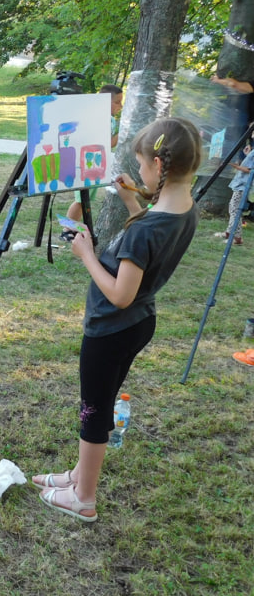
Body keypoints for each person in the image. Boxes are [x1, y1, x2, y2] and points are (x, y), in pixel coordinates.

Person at [33, 117, 201, 522]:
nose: (139, 170)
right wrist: (131, 201)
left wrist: (87, 255)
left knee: (93, 409)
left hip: (112, 326)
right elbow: (150, 231)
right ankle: (78, 474)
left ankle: (84, 498)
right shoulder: (182, 209)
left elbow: (121, 294)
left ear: (159, 166)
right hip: (137, 324)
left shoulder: (148, 229)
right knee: (102, 401)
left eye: (142, 163)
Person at [61, 85, 125, 241]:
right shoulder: (106, 119)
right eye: (117, 102)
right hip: (89, 165)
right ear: (104, 102)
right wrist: (123, 132)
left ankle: (71, 228)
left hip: (92, 164)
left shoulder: (96, 116)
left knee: (83, 200)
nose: (120, 106)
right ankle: (67, 229)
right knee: (81, 200)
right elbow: (107, 143)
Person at [222, 133, 254, 245]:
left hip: (244, 185)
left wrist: (234, 166)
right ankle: (229, 232)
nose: (252, 133)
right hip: (240, 183)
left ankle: (237, 237)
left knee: (235, 210)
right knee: (232, 208)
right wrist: (247, 154)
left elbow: (251, 170)